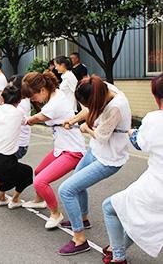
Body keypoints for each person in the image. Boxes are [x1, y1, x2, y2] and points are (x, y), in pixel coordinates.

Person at [57, 75, 131, 256]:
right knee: (77, 182)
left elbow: (102, 137)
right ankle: (83, 219)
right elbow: (89, 110)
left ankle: (79, 239)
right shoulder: (100, 87)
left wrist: (86, 128)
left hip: (109, 159)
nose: (88, 109)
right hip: (96, 151)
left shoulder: (115, 107)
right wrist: (73, 121)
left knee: (66, 190)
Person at [101, 73, 163, 264]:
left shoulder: (154, 119)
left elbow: (140, 144)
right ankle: (115, 249)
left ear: (156, 97)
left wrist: (134, 134)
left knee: (110, 207)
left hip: (157, 187)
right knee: (142, 220)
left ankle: (118, 257)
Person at [20, 72, 86, 229]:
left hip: (72, 150)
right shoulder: (56, 94)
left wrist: (24, 120)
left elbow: (38, 118)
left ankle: (56, 214)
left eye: (33, 96)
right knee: (39, 171)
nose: (33, 100)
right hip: (61, 147)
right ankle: (40, 200)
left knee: (40, 181)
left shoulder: (53, 104)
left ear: (42, 90)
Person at [0, 85, 33, 209]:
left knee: (10, 168)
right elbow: (27, 121)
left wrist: (0, 100)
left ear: (2, 97)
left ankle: (1, 197)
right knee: (27, 172)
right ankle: (15, 200)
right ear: (19, 101)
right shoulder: (19, 112)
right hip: (4, 164)